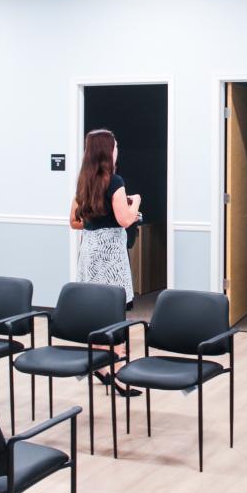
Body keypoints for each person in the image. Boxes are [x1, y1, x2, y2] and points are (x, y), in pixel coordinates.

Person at [70, 129, 141, 394]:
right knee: (115, 310)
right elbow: (124, 219)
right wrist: (136, 204)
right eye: (115, 146)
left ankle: (100, 367)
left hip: (89, 251)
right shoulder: (115, 181)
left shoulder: (83, 182)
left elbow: (75, 221)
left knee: (96, 309)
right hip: (110, 252)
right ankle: (119, 373)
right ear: (107, 151)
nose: (117, 150)